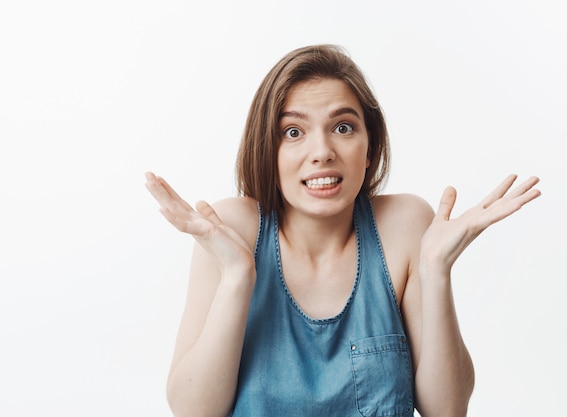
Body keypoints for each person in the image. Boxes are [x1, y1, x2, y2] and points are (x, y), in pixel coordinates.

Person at [145, 44, 540, 417]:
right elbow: (193, 410)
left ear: (369, 149)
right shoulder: (233, 228)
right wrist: (236, 276)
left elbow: (447, 409)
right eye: (293, 132)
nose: (323, 152)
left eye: (344, 128)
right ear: (268, 150)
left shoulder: (403, 225)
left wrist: (435, 270)